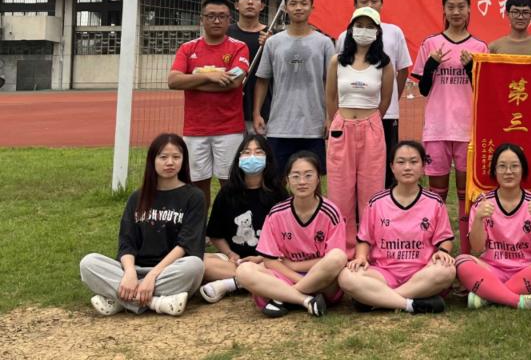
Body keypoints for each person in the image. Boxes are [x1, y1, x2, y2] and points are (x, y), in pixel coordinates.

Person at [80, 133, 205, 316]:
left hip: (169, 270)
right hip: (135, 269)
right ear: (152, 160)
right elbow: (127, 242)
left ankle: (122, 299)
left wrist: (153, 276)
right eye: (163, 157)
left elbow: (185, 244)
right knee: (88, 263)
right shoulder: (137, 197)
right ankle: (156, 302)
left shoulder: (194, 197)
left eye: (176, 157)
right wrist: (130, 273)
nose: (170, 162)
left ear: (183, 160)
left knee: (195, 265)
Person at [411, 0, 489, 255]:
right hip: (437, 128)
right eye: (451, 7)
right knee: (437, 195)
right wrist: (432, 65)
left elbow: (484, 91)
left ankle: (466, 253)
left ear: (469, 10)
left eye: (461, 7)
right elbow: (423, 89)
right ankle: (436, 251)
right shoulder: (431, 44)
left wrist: (470, 68)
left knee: (466, 195)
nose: (456, 12)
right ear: (443, 10)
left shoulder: (479, 47)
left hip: (467, 130)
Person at [339, 141, 457, 313]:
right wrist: (361, 257)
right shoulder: (377, 203)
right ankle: (410, 304)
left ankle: (378, 300)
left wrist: (443, 251)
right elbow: (364, 239)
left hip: (421, 273)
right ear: (392, 167)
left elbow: (445, 239)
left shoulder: (434, 202)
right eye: (401, 162)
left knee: (447, 270)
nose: (407, 167)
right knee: (346, 276)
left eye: (413, 162)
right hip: (383, 273)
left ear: (423, 166)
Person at [235, 152, 347, 317]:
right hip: (285, 277)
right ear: (287, 180)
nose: (302, 182)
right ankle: (305, 299)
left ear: (318, 179)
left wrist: (295, 266)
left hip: (322, 280)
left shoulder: (331, 212)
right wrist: (298, 278)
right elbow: (270, 261)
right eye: (295, 176)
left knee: (338, 257)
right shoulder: (276, 214)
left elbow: (333, 259)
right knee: (244, 271)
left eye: (308, 175)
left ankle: (284, 297)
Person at [168, 0, 249, 212]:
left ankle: (229, 226)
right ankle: (199, 227)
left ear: (229, 20)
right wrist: (210, 76)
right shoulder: (187, 48)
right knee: (197, 185)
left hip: (229, 129)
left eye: (222, 16)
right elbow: (173, 81)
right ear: (202, 19)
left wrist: (193, 81)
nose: (216, 21)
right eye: (211, 16)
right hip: (195, 130)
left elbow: (234, 82)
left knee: (230, 183)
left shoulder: (239, 47)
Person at [455, 143, 531, 310]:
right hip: (492, 269)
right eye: (502, 166)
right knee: (461, 262)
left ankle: (489, 295)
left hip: (526, 270)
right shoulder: (483, 203)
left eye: (514, 166)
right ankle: (519, 301)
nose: (508, 172)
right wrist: (479, 218)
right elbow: (477, 247)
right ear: (494, 171)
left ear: (523, 170)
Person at [325, 6, 394, 254]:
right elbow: (330, 97)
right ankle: (342, 249)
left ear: (377, 32)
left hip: (371, 128)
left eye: (369, 26)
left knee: (371, 191)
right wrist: (339, 122)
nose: (363, 30)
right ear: (351, 29)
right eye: (359, 25)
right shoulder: (338, 61)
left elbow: (385, 100)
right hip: (342, 127)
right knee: (340, 190)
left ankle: (370, 247)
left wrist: (369, 121)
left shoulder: (384, 64)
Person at [254, 0, 336, 176]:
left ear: (312, 7)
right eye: (293, 4)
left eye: (304, 3)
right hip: (279, 126)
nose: (299, 8)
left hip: (313, 126)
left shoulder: (324, 43)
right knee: (276, 178)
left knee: (312, 177)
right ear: (285, 8)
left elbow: (331, 83)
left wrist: (330, 116)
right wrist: (257, 113)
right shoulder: (273, 42)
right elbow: (263, 79)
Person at [336, 0, 412, 189]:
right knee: (351, 166)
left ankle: (384, 203)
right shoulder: (345, 36)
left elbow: (403, 70)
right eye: (364, 1)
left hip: (385, 114)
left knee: (385, 165)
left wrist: (390, 100)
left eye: (374, 1)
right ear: (355, 6)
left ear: (382, 4)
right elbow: (338, 73)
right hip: (351, 115)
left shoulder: (394, 32)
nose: (369, 4)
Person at [200, 133, 287, 303]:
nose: (252, 157)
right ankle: (254, 280)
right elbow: (216, 234)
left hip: (268, 260)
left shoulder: (278, 194)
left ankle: (234, 283)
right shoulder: (227, 192)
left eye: (258, 152)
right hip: (233, 261)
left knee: (286, 263)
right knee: (199, 263)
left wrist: (260, 258)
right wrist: (230, 253)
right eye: (246, 152)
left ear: (268, 158)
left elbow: (286, 238)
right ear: (239, 158)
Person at [227, 0, 270, 134]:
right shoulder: (225, 34)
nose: (250, 2)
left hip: (264, 110)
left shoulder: (272, 35)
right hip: (230, 107)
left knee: (259, 149)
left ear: (262, 6)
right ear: (236, 5)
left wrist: (271, 46)